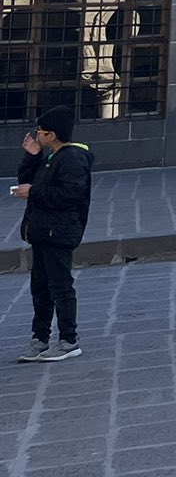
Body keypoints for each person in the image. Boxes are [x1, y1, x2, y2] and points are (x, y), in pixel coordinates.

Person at [12, 108, 92, 362]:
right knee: (41, 287)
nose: (37, 135)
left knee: (60, 286)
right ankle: (40, 338)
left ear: (52, 135)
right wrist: (32, 157)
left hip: (58, 231)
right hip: (41, 231)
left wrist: (33, 192)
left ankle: (68, 339)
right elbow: (28, 179)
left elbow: (69, 195)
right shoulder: (51, 157)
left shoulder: (72, 159)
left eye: (41, 132)